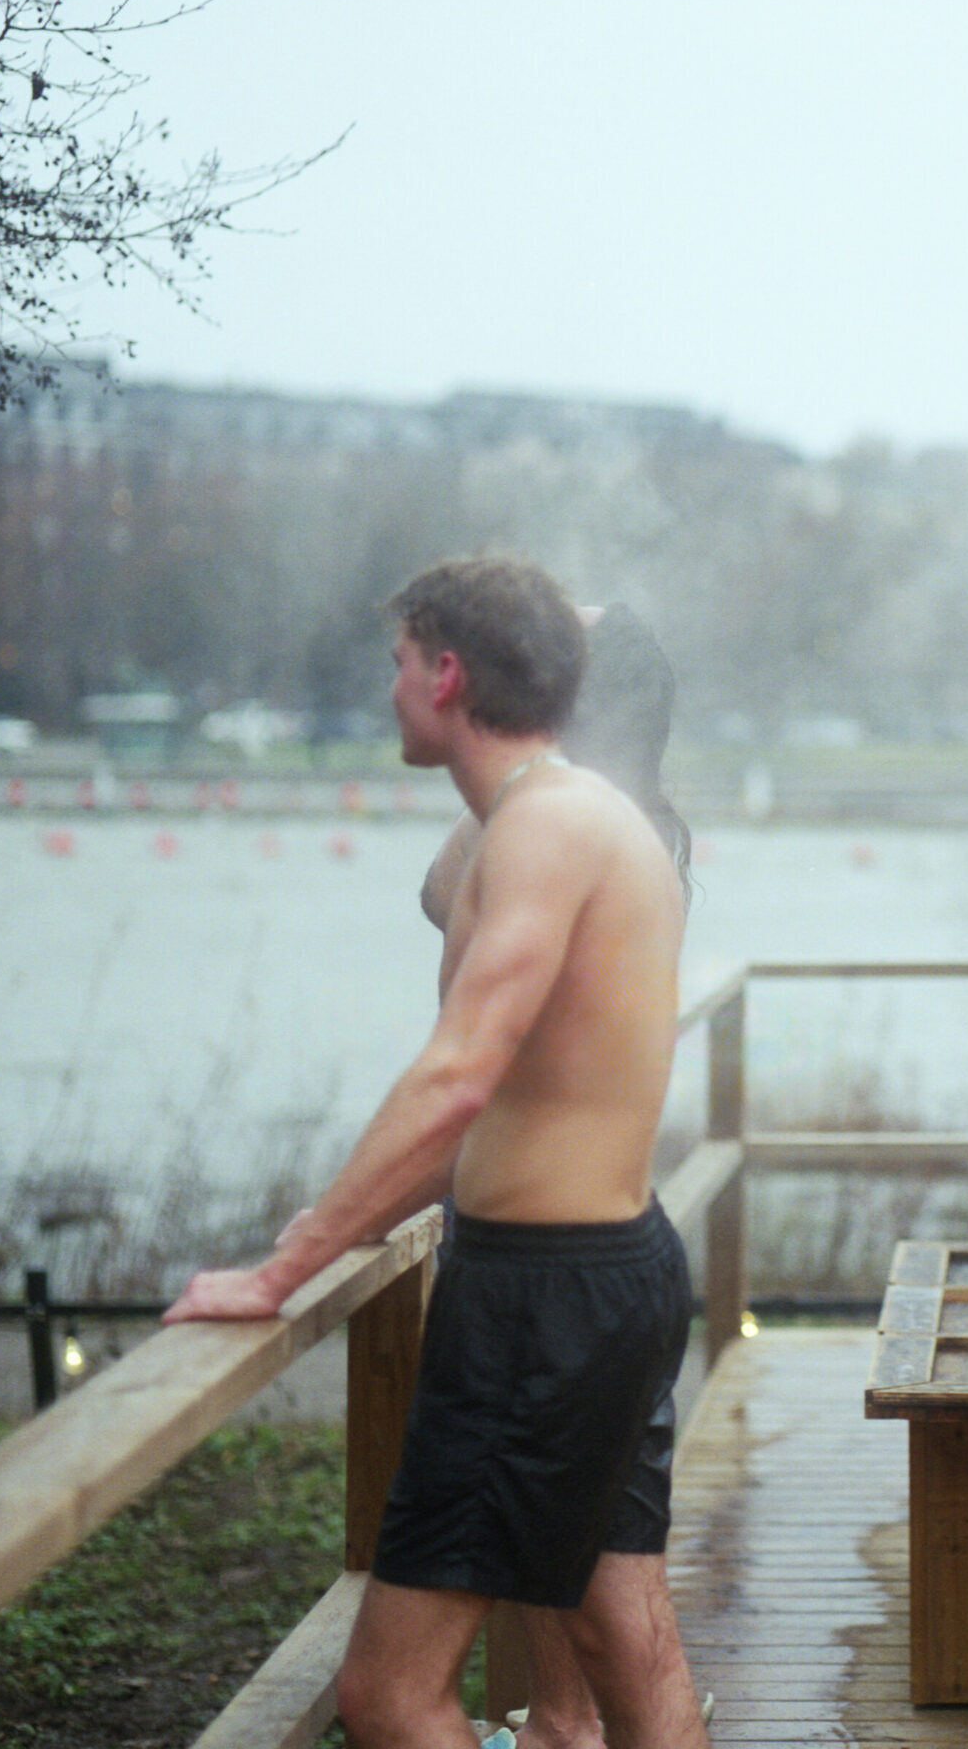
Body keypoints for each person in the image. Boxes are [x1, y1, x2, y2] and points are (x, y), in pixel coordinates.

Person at [164, 556, 708, 1749]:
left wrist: (282, 1266)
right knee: (625, 1626)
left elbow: (460, 1072)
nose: (390, 685)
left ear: (446, 672)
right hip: (594, 1271)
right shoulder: (552, 813)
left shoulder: (557, 825)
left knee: (391, 1691)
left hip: (544, 1294)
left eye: (401, 660)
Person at [413, 599, 696, 1749]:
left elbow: (448, 912)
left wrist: (308, 1242)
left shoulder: (605, 821)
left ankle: (564, 1721)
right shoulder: (571, 807)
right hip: (584, 1239)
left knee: (568, 1558)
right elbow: (441, 893)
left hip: (561, 1244)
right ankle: (560, 1723)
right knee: (600, 1564)